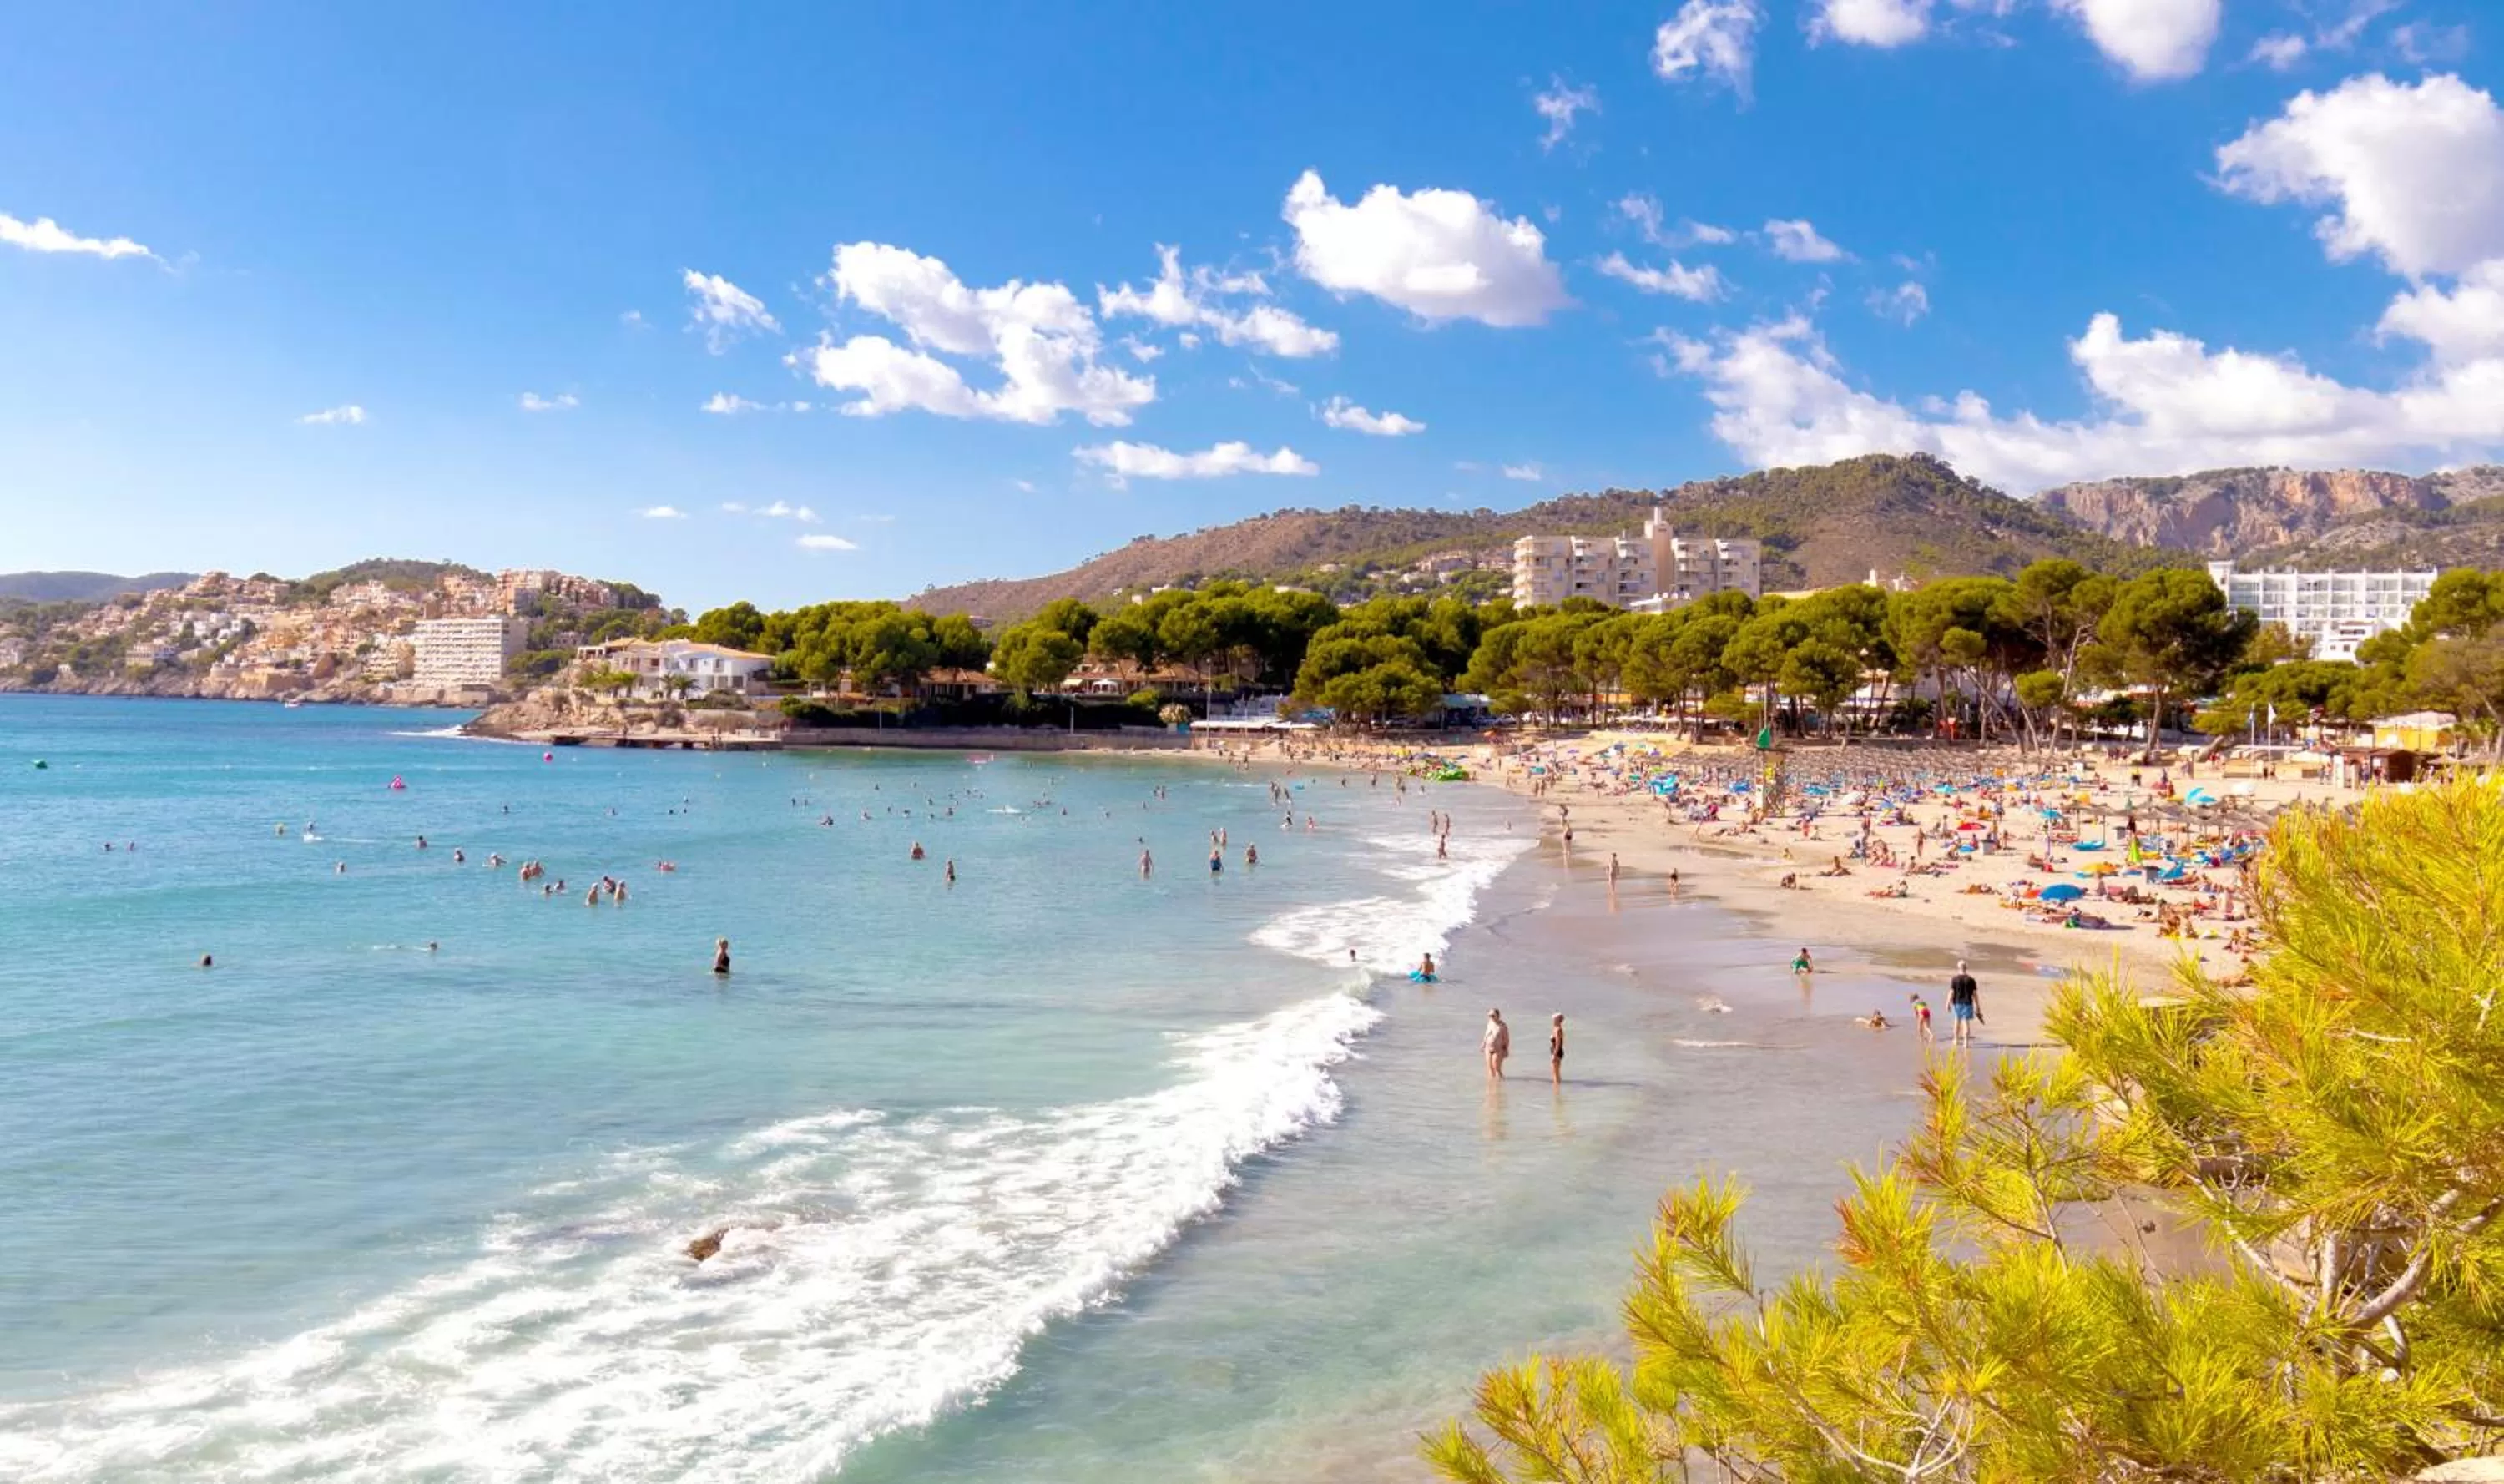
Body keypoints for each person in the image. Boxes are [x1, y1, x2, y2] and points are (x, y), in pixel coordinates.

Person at [1948, 960, 1982, 1047]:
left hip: (1957, 1003)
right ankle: (1966, 1043)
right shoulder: (1971, 980)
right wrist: (1978, 1006)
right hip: (1968, 1003)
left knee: (1957, 1021)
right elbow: (1975, 994)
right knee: (1966, 1022)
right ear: (1966, 968)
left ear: (1958, 968)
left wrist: (1948, 1003)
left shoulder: (1954, 979)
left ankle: (1956, 1040)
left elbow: (1952, 992)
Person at [1483, 1008, 1511, 1078]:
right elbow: (1487, 1033)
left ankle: (1501, 1084)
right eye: (1489, 1016)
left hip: (1498, 1049)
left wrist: (1506, 1050)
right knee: (1489, 1068)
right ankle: (1492, 1085)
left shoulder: (1502, 1026)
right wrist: (1483, 1043)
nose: (1491, 1017)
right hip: (1488, 1048)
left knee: (1496, 1068)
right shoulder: (1490, 1023)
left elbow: (1506, 1039)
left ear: (1498, 1016)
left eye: (1493, 1015)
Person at [1547, 1013, 1566, 1085]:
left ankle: (1557, 1087)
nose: (1553, 1021)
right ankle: (1557, 1086)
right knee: (1554, 1071)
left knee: (1556, 1072)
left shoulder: (1558, 1030)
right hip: (1555, 1050)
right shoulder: (1555, 1028)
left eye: (1554, 1019)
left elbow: (1558, 1043)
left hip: (1557, 1052)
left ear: (1558, 1020)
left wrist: (1555, 1054)